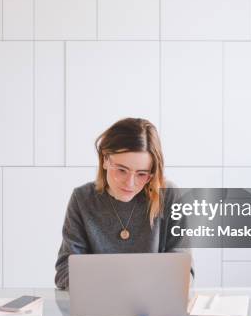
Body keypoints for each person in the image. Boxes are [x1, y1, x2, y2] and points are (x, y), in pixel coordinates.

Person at [54, 117, 193, 289]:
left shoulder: (168, 196)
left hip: (154, 311)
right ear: (105, 160)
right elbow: (64, 271)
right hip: (98, 309)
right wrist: (114, 286)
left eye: (142, 174)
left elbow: (184, 271)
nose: (130, 183)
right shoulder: (83, 199)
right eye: (121, 170)